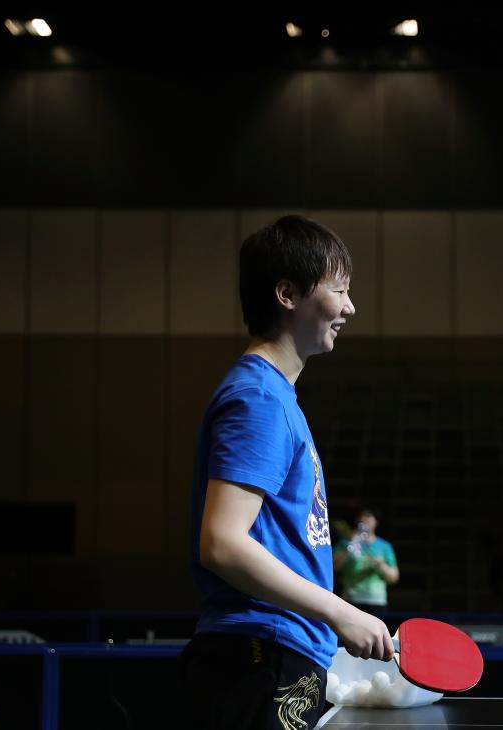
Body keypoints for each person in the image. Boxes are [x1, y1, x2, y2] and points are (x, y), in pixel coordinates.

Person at [181, 215, 393, 730]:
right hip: (260, 655)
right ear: (287, 295)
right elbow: (221, 543)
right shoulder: (259, 400)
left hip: (275, 653)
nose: (350, 307)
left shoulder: (277, 398)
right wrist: (341, 612)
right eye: (339, 290)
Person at [334, 507, 400, 617]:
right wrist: (350, 546)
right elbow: (334, 567)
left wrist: (380, 565)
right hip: (350, 600)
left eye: (368, 516)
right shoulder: (344, 543)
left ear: (376, 522)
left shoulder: (385, 546)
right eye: (361, 516)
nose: (363, 519)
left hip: (376, 602)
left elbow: (394, 577)